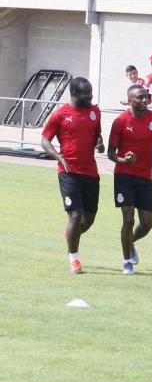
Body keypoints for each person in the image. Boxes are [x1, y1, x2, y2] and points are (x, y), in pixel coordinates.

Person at [39, 77, 105, 275]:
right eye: (88, 95)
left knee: (89, 219)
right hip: (68, 172)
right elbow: (44, 140)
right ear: (75, 94)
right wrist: (58, 156)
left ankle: (70, 234)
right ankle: (74, 260)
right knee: (75, 215)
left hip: (90, 172)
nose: (91, 98)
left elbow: (96, 134)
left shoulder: (95, 112)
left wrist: (99, 143)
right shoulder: (60, 115)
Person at [107, 85, 152, 276]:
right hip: (124, 175)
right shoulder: (120, 121)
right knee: (128, 218)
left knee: (147, 224)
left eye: (146, 97)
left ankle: (129, 241)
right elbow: (111, 153)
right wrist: (124, 160)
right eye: (140, 98)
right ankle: (126, 262)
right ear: (130, 100)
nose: (145, 101)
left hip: (145, 177)